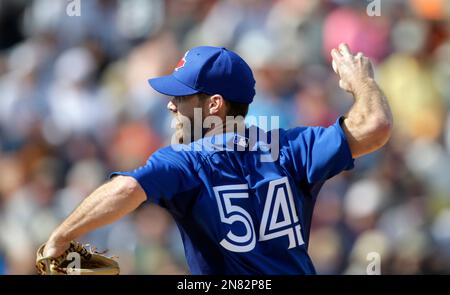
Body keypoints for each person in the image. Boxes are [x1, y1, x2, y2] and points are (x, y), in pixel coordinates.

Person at [42, 44, 392, 274]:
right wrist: (362, 82)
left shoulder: (185, 162)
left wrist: (59, 239)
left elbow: (127, 189)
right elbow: (375, 126)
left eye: (181, 97)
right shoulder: (293, 147)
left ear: (214, 105)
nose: (170, 105)